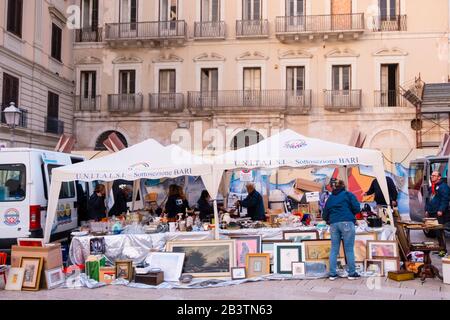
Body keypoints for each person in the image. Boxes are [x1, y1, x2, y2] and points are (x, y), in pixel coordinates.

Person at [322, 180, 361, 280]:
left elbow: (324, 214)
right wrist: (350, 213)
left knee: (334, 249)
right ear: (343, 186)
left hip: (334, 224)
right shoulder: (348, 194)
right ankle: (352, 273)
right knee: (349, 249)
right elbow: (357, 208)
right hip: (347, 222)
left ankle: (332, 273)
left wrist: (328, 220)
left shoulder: (330, 198)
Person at [425, 171, 449, 256]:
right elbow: (429, 199)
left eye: (434, 176)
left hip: (439, 213)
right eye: (431, 176)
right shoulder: (433, 187)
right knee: (436, 232)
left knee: (440, 232)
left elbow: (445, 199)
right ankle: (440, 249)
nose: (432, 177)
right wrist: (427, 210)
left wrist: (441, 210)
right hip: (432, 212)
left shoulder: (443, 187)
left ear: (439, 177)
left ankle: (443, 251)